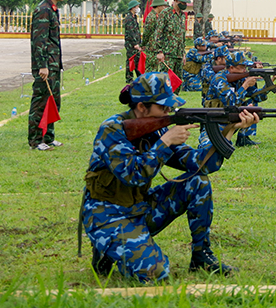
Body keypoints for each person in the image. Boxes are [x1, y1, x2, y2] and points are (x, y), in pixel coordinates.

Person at [82, 72, 258, 281]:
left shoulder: (158, 131)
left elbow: (199, 165)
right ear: (141, 107)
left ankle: (201, 256)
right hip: (107, 214)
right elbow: (133, 175)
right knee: (156, 274)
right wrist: (165, 142)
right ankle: (105, 250)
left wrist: (229, 130)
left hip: (139, 208)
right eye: (162, 107)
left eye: (169, 107)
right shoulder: (112, 130)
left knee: (197, 182)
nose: (168, 112)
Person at [203, 51, 276, 147]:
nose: (245, 70)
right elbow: (231, 103)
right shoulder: (219, 79)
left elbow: (257, 97)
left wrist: (272, 80)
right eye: (242, 67)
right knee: (208, 147)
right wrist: (245, 85)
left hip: (232, 118)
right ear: (231, 68)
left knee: (252, 104)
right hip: (216, 122)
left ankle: (243, 138)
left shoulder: (241, 78)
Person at [28, 0, 68, 151]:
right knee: (41, 101)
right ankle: (36, 140)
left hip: (53, 64)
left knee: (53, 100)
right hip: (45, 65)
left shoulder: (52, 9)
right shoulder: (43, 10)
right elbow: (39, 41)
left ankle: (49, 137)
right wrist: (42, 65)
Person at [152, 0, 190, 85]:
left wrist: (183, 53)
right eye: (183, 2)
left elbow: (182, 36)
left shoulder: (182, 16)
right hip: (167, 55)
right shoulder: (165, 14)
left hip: (179, 55)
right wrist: (159, 52)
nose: (185, 5)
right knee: (165, 82)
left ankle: (175, 100)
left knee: (177, 82)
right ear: (176, 1)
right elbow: (158, 34)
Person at [142, 0, 168, 73]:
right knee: (151, 70)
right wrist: (143, 44)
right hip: (151, 48)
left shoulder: (158, 16)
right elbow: (147, 33)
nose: (164, 8)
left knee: (155, 70)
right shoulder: (151, 17)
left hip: (156, 47)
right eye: (163, 6)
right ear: (158, 6)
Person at [123, 0, 142, 83]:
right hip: (131, 44)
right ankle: (129, 78)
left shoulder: (134, 17)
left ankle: (139, 77)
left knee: (137, 60)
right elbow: (131, 33)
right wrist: (135, 44)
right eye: (136, 7)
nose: (138, 8)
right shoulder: (129, 19)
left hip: (136, 42)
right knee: (131, 60)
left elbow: (136, 32)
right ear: (132, 8)